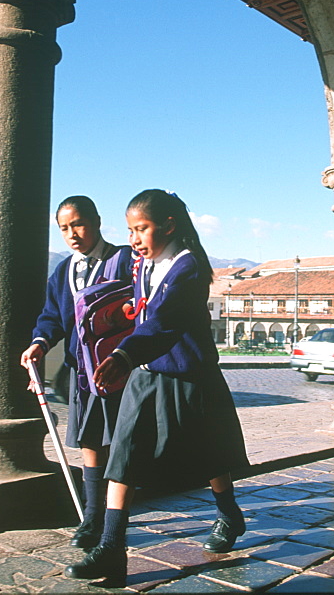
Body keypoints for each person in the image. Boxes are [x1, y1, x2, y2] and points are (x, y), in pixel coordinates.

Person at [68, 189, 249, 587]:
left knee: (212, 458)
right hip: (146, 374)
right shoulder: (143, 265)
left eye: (142, 229)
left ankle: (230, 515)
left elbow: (165, 321)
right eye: (130, 230)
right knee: (125, 456)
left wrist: (123, 354)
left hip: (189, 376)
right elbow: (141, 312)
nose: (134, 238)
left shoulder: (189, 269)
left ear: (168, 225)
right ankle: (112, 550)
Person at [20, 195, 132, 549]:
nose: (72, 234)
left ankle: (116, 519)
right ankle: (92, 516)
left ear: (97, 221)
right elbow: (52, 315)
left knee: (123, 442)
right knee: (90, 439)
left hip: (121, 369)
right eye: (64, 228)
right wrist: (40, 342)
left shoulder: (124, 260)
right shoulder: (63, 271)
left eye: (79, 224)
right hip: (82, 371)